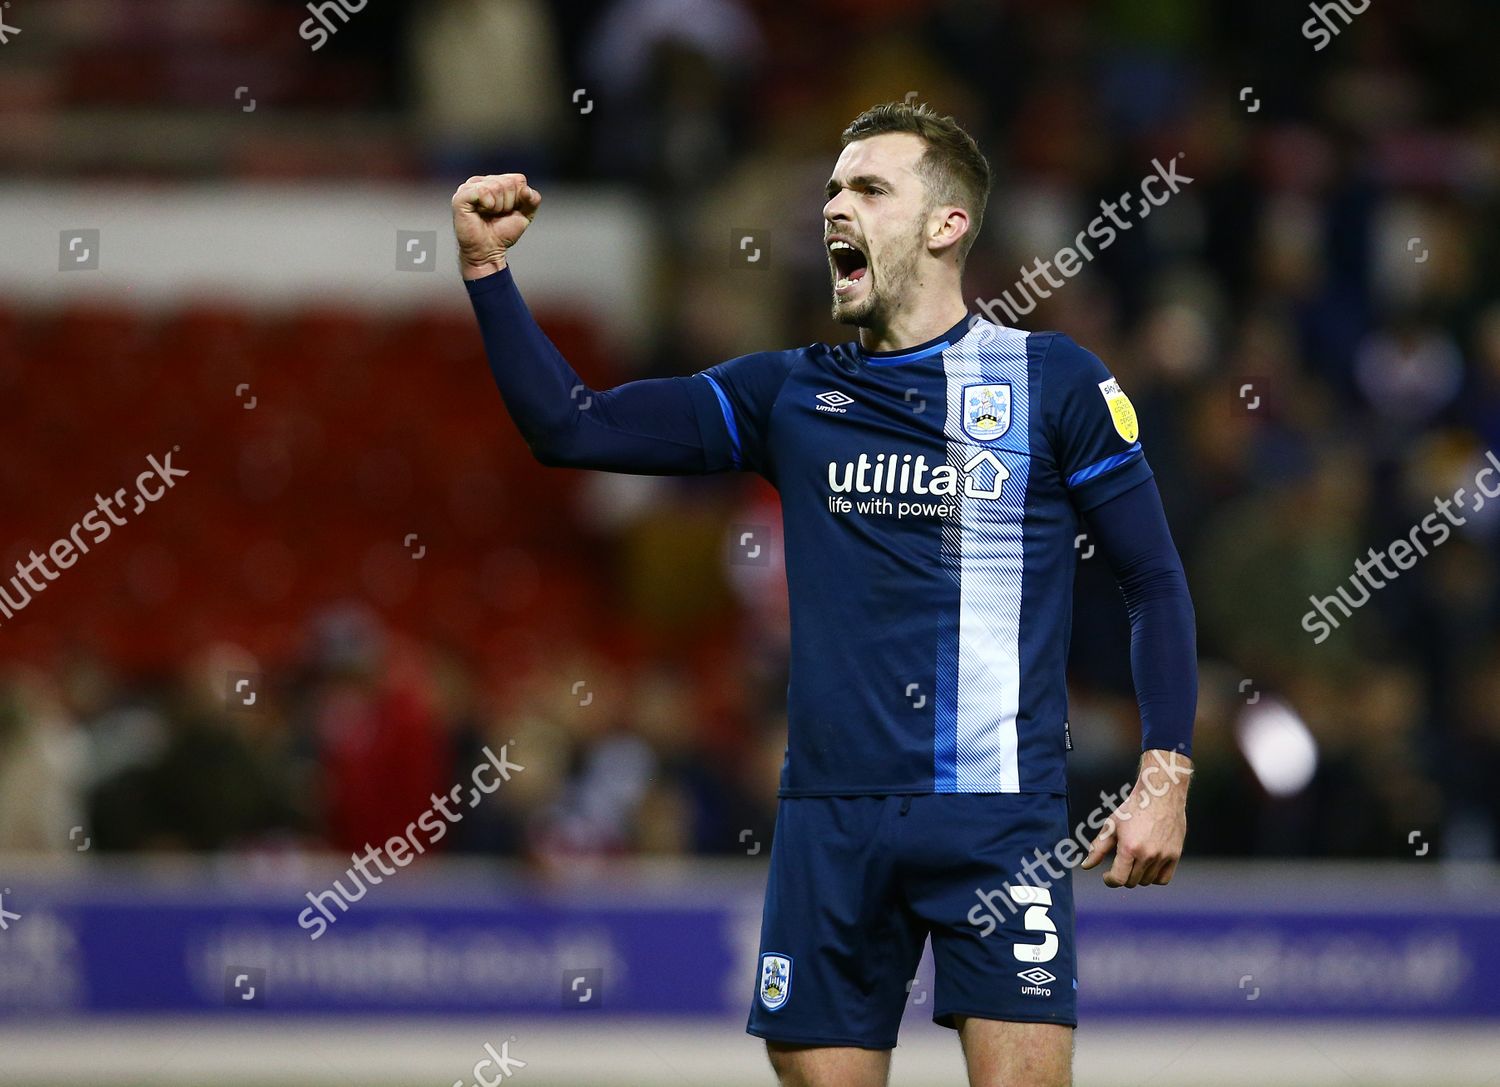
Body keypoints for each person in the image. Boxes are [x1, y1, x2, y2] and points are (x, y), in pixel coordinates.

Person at [451, 101, 1197, 1087]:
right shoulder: (787, 395)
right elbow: (573, 427)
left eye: (869, 188)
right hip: (830, 822)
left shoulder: (1051, 382)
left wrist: (1164, 774)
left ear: (946, 225)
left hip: (998, 820)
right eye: (833, 189)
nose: (835, 207)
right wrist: (488, 273)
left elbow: (1153, 578)